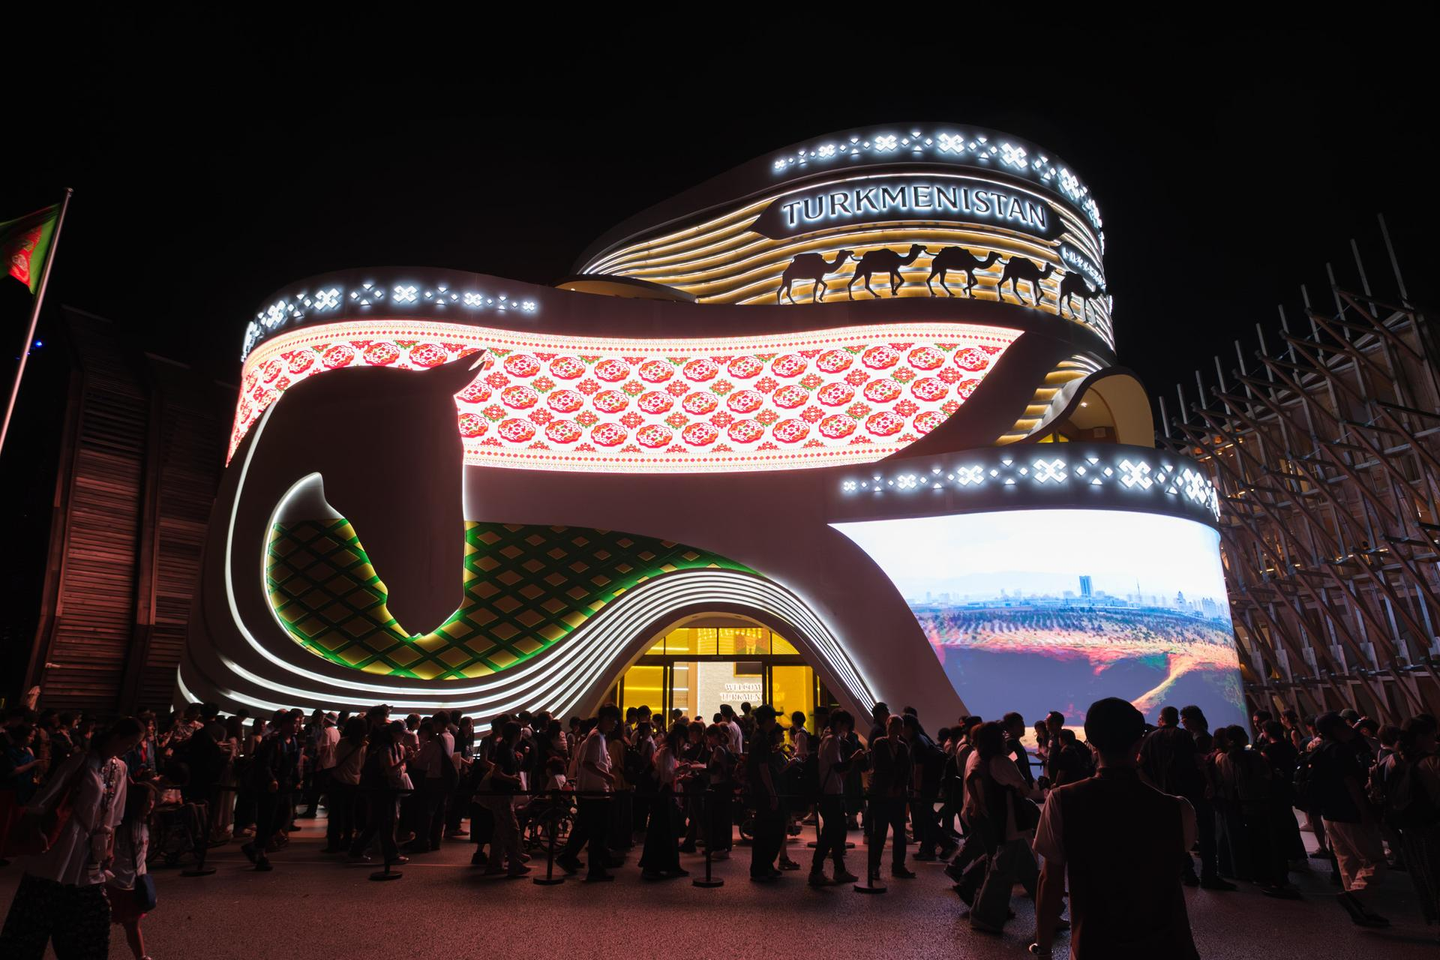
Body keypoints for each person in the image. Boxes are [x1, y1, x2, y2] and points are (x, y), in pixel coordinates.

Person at [1032, 698, 1199, 960]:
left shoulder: (1062, 801)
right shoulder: (1178, 809)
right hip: (1168, 947)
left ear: (1091, 742)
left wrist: (1043, 948)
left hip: (1095, 945)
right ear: (1140, 743)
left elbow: (1050, 881)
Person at [0, 716, 144, 960]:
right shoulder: (81, 761)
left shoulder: (120, 768)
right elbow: (45, 799)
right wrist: (37, 831)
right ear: (116, 736)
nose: (131, 749)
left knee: (89, 917)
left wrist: (109, 847)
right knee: (38, 910)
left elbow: (115, 815)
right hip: (64, 843)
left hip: (91, 849)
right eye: (130, 743)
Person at [1311, 711, 1388, 926]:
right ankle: (1356, 898)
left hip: (1330, 815)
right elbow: (1351, 784)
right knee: (1375, 861)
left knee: (1348, 863)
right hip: (1350, 812)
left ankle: (1362, 910)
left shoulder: (1319, 750)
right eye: (1344, 726)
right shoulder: (1341, 750)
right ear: (1336, 729)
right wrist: (1364, 811)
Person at [964, 721, 1042, 931]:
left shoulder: (981, 758)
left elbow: (971, 779)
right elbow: (1024, 789)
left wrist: (978, 804)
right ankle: (983, 916)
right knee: (1001, 871)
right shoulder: (1002, 761)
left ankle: (1049, 911)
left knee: (1026, 869)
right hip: (1011, 822)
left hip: (999, 821)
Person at [558, 704, 622, 881]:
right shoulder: (596, 738)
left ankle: (568, 857)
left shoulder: (596, 736)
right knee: (598, 832)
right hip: (595, 792)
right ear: (606, 718)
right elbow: (588, 763)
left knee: (585, 828)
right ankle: (595, 869)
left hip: (590, 791)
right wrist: (608, 777)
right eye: (614, 720)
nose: (615, 724)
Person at [242, 710, 301, 871]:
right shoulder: (272, 740)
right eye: (295, 723)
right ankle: (261, 854)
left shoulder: (293, 741)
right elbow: (263, 763)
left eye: (298, 723)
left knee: (283, 816)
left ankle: (255, 846)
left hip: (285, 785)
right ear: (285, 724)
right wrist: (271, 780)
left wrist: (297, 780)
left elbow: (293, 764)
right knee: (267, 818)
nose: (298, 726)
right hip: (270, 786)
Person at [810, 709, 861, 886]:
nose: (847, 729)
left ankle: (837, 870)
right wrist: (854, 758)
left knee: (837, 833)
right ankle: (816, 871)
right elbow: (839, 767)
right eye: (846, 725)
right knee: (830, 834)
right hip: (830, 794)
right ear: (839, 723)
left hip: (833, 793)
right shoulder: (831, 740)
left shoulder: (830, 738)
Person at [107, 781, 157, 960]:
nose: (151, 804)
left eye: (152, 800)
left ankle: (141, 957)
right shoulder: (123, 827)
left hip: (134, 882)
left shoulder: (144, 823)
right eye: (147, 801)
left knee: (133, 925)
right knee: (110, 923)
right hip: (118, 883)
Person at [866, 713, 916, 881]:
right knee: (879, 832)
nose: (894, 728)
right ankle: (875, 866)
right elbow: (880, 767)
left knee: (899, 832)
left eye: (897, 726)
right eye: (891, 725)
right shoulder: (879, 743)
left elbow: (906, 770)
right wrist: (891, 788)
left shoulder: (902, 746)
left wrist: (899, 788)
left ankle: (898, 866)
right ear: (887, 727)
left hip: (896, 795)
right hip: (883, 794)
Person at [639, 725, 689, 880]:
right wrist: (681, 770)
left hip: (662, 795)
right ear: (679, 738)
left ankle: (661, 866)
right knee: (664, 832)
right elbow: (666, 776)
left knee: (663, 832)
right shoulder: (667, 751)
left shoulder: (663, 749)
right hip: (663, 796)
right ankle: (661, 866)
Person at [482, 721, 529, 877]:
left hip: (502, 793)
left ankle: (495, 864)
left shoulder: (507, 748)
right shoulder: (505, 750)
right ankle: (515, 863)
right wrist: (511, 779)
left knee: (501, 830)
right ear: (516, 734)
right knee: (512, 828)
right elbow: (497, 772)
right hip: (501, 794)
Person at [748, 705, 786, 881]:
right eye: (773, 719)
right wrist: (772, 793)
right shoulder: (761, 740)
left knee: (766, 829)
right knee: (770, 828)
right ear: (765, 720)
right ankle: (761, 868)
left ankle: (764, 866)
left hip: (760, 790)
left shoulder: (758, 737)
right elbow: (763, 769)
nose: (775, 721)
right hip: (764, 791)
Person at [324, 717, 366, 853]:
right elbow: (362, 764)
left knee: (335, 814)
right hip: (354, 782)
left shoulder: (343, 742)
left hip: (339, 780)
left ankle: (333, 843)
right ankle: (347, 842)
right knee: (349, 814)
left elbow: (336, 758)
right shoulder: (364, 745)